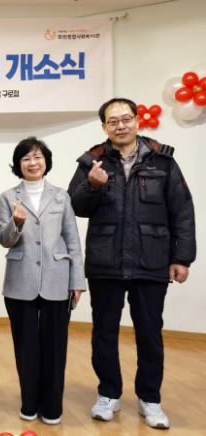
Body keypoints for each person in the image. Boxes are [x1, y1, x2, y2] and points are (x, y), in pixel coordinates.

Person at [68, 98, 196, 429]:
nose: (120, 125)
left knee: (150, 334)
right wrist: (93, 186)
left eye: (126, 119)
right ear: (104, 127)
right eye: (113, 121)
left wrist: (181, 257)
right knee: (104, 333)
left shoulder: (163, 161)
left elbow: (182, 210)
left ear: (138, 121)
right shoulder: (92, 161)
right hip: (106, 261)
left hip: (151, 261)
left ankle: (149, 398)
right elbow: (75, 206)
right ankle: (108, 393)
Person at [0, 137, 85, 425]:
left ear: (46, 161)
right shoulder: (8, 197)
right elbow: (3, 239)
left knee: (55, 347)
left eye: (38, 157)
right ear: (18, 164)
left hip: (57, 280)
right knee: (26, 347)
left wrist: (77, 281)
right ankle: (29, 403)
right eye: (26, 158)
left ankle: (52, 407)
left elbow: (72, 240)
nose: (33, 163)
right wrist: (17, 222)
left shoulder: (61, 196)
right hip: (20, 281)